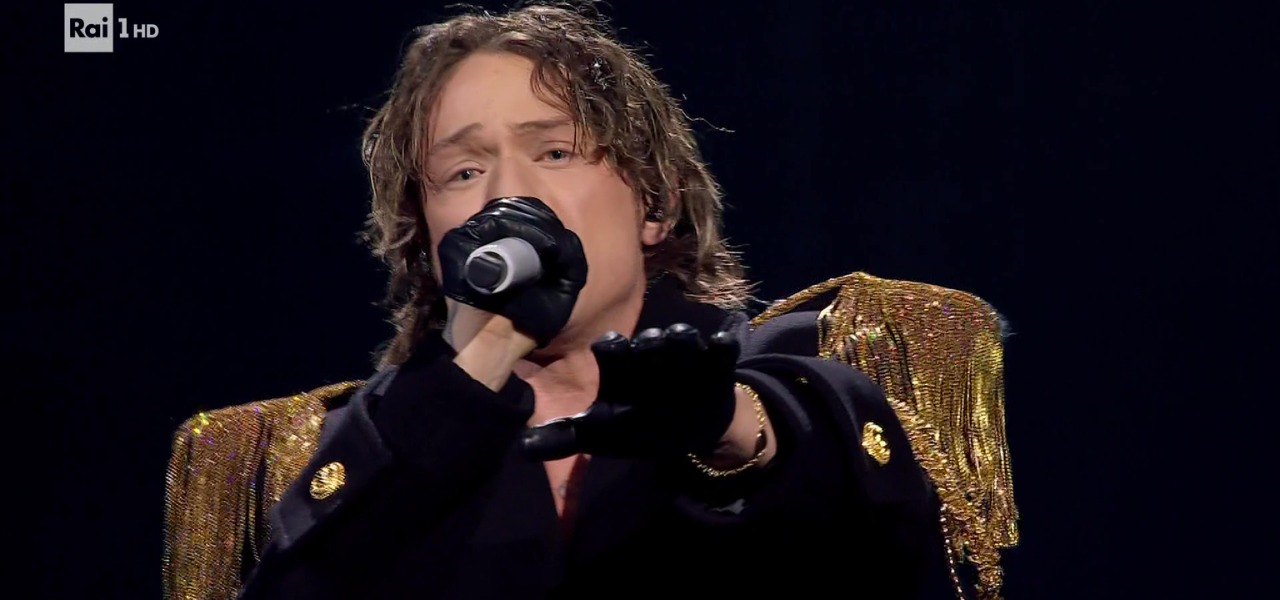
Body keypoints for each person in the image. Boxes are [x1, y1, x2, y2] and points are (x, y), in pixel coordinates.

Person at [162, 3, 1018, 599]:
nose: (509, 196)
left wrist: (725, 430)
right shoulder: (334, 449)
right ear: (426, 237)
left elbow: (876, 532)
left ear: (654, 204)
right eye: (463, 171)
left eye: (555, 152)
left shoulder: (815, 363)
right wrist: (475, 368)